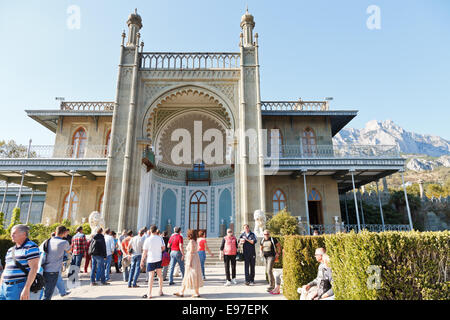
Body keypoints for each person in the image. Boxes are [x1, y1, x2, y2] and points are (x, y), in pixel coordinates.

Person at [0, 225, 40, 300]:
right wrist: (1, 285)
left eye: (14, 233)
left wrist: (26, 288)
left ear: (24, 234)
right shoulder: (10, 250)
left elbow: (34, 268)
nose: (11, 235)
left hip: (18, 287)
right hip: (4, 287)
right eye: (11, 233)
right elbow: (6, 269)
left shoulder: (31, 247)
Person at [42, 226, 71, 300]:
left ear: (55, 232)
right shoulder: (64, 242)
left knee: (44, 292)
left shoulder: (47, 241)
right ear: (64, 233)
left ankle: (63, 292)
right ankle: (63, 292)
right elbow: (69, 251)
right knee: (47, 295)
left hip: (43, 269)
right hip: (53, 271)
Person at [173, 229, 203, 298]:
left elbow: (192, 252)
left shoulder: (192, 241)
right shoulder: (195, 241)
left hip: (192, 260)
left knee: (190, 275)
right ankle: (183, 291)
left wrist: (189, 262)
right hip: (195, 259)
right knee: (192, 275)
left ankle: (194, 292)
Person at [140, 225, 165, 299]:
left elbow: (144, 251)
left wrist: (142, 260)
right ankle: (160, 291)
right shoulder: (160, 238)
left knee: (151, 277)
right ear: (156, 230)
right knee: (160, 276)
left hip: (150, 259)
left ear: (150, 231)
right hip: (158, 259)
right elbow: (163, 248)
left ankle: (149, 293)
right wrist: (158, 250)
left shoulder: (148, 239)